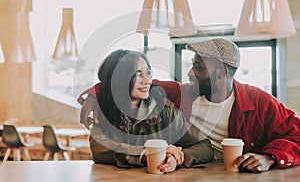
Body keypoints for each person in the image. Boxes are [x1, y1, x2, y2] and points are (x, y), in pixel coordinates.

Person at [78, 38, 300, 173]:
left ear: (222, 73)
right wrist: (93, 95)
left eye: (199, 67)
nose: (190, 73)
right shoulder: (183, 94)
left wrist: (270, 157)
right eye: (192, 65)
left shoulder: (258, 102)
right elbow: (124, 83)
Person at [78, 49, 213, 173]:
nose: (147, 80)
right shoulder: (101, 111)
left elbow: (204, 146)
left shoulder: (164, 109)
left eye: (148, 73)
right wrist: (151, 153)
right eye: (138, 74)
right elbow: (100, 150)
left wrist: (177, 157)